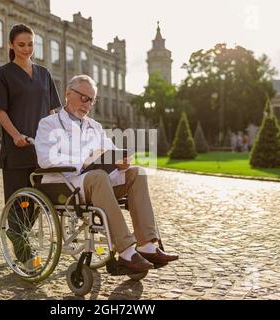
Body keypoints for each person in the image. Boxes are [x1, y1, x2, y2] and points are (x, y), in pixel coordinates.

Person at [35, 75, 179, 273]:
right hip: (65, 183)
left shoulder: (95, 126)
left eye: (92, 100)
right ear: (68, 94)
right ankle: (127, 251)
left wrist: (121, 162)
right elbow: (45, 159)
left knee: (138, 173)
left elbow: (110, 150)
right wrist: (83, 163)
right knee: (98, 176)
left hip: (98, 182)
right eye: (84, 98)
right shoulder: (49, 123)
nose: (88, 104)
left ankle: (147, 245)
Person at [0, 24, 61, 263]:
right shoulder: (3, 74)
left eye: (30, 44)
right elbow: (0, 110)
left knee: (43, 198)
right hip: (17, 149)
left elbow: (52, 110)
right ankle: (24, 252)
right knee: (18, 200)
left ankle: (17, 234)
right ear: (11, 45)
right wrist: (15, 135)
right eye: (21, 44)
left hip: (42, 149)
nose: (27, 48)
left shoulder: (44, 74)